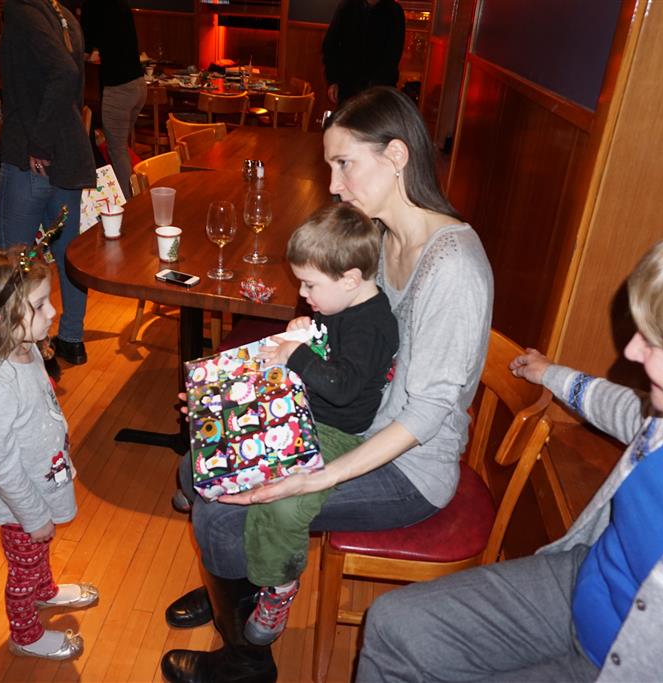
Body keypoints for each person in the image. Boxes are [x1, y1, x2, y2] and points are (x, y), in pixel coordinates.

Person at [357, 205, 663, 682]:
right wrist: (553, 374)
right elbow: (625, 407)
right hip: (578, 583)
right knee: (395, 626)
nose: (632, 351)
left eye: (660, 344)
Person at [160, 86, 493, 683]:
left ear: (396, 156)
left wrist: (316, 477)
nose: (334, 185)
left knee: (219, 509)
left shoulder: (454, 268)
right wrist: (231, 392)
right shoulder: (381, 239)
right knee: (204, 461)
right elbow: (323, 340)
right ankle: (231, 593)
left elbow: (426, 415)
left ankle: (246, 660)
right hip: (347, 424)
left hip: (408, 467)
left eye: (344, 164)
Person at [237, 202, 399, 646]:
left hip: (338, 433)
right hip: (304, 410)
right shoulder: (337, 299)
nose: (303, 292)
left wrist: (298, 353)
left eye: (310, 285)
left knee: (282, 504)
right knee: (234, 426)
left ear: (350, 278)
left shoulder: (373, 325)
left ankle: (279, 586)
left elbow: (343, 387)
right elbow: (326, 343)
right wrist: (306, 328)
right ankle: (200, 479)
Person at [0, 245, 101, 661]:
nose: (53, 312)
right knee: (24, 569)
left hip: (39, 483)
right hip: (18, 504)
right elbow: (2, 465)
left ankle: (45, 591)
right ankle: (25, 634)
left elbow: (41, 413)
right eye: (40, 305)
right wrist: (32, 515)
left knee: (38, 553)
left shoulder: (24, 349)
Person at [0, 0, 97, 376]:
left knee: (13, 262)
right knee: (68, 256)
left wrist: (39, 143)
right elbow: (73, 86)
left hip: (32, 157)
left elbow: (64, 73)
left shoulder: (21, 11)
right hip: (68, 156)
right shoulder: (62, 14)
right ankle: (70, 339)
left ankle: (20, 348)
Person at [81, 0, 147, 200]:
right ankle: (134, 195)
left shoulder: (92, 5)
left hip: (119, 88)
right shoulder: (120, 4)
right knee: (121, 148)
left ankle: (130, 204)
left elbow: (84, 50)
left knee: (117, 150)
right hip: (139, 85)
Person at [322, 0, 406, 107]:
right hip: (347, 88)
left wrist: (374, 87)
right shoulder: (347, 7)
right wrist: (333, 80)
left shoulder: (394, 11)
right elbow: (330, 46)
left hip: (380, 90)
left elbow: (393, 56)